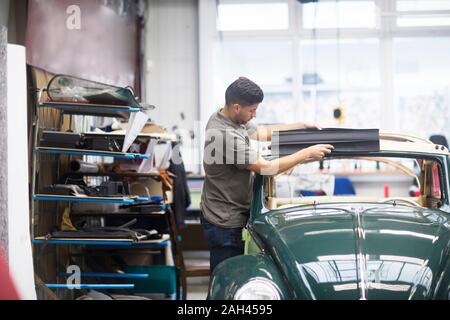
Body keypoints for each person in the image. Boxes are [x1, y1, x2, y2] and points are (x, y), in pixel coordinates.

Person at [200, 77, 334, 272]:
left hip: (227, 210)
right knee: (226, 280)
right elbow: (266, 168)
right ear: (236, 107)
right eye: (252, 110)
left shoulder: (227, 116)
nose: (255, 114)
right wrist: (307, 153)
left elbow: (263, 132)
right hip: (224, 220)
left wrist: (301, 126)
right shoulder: (224, 134)